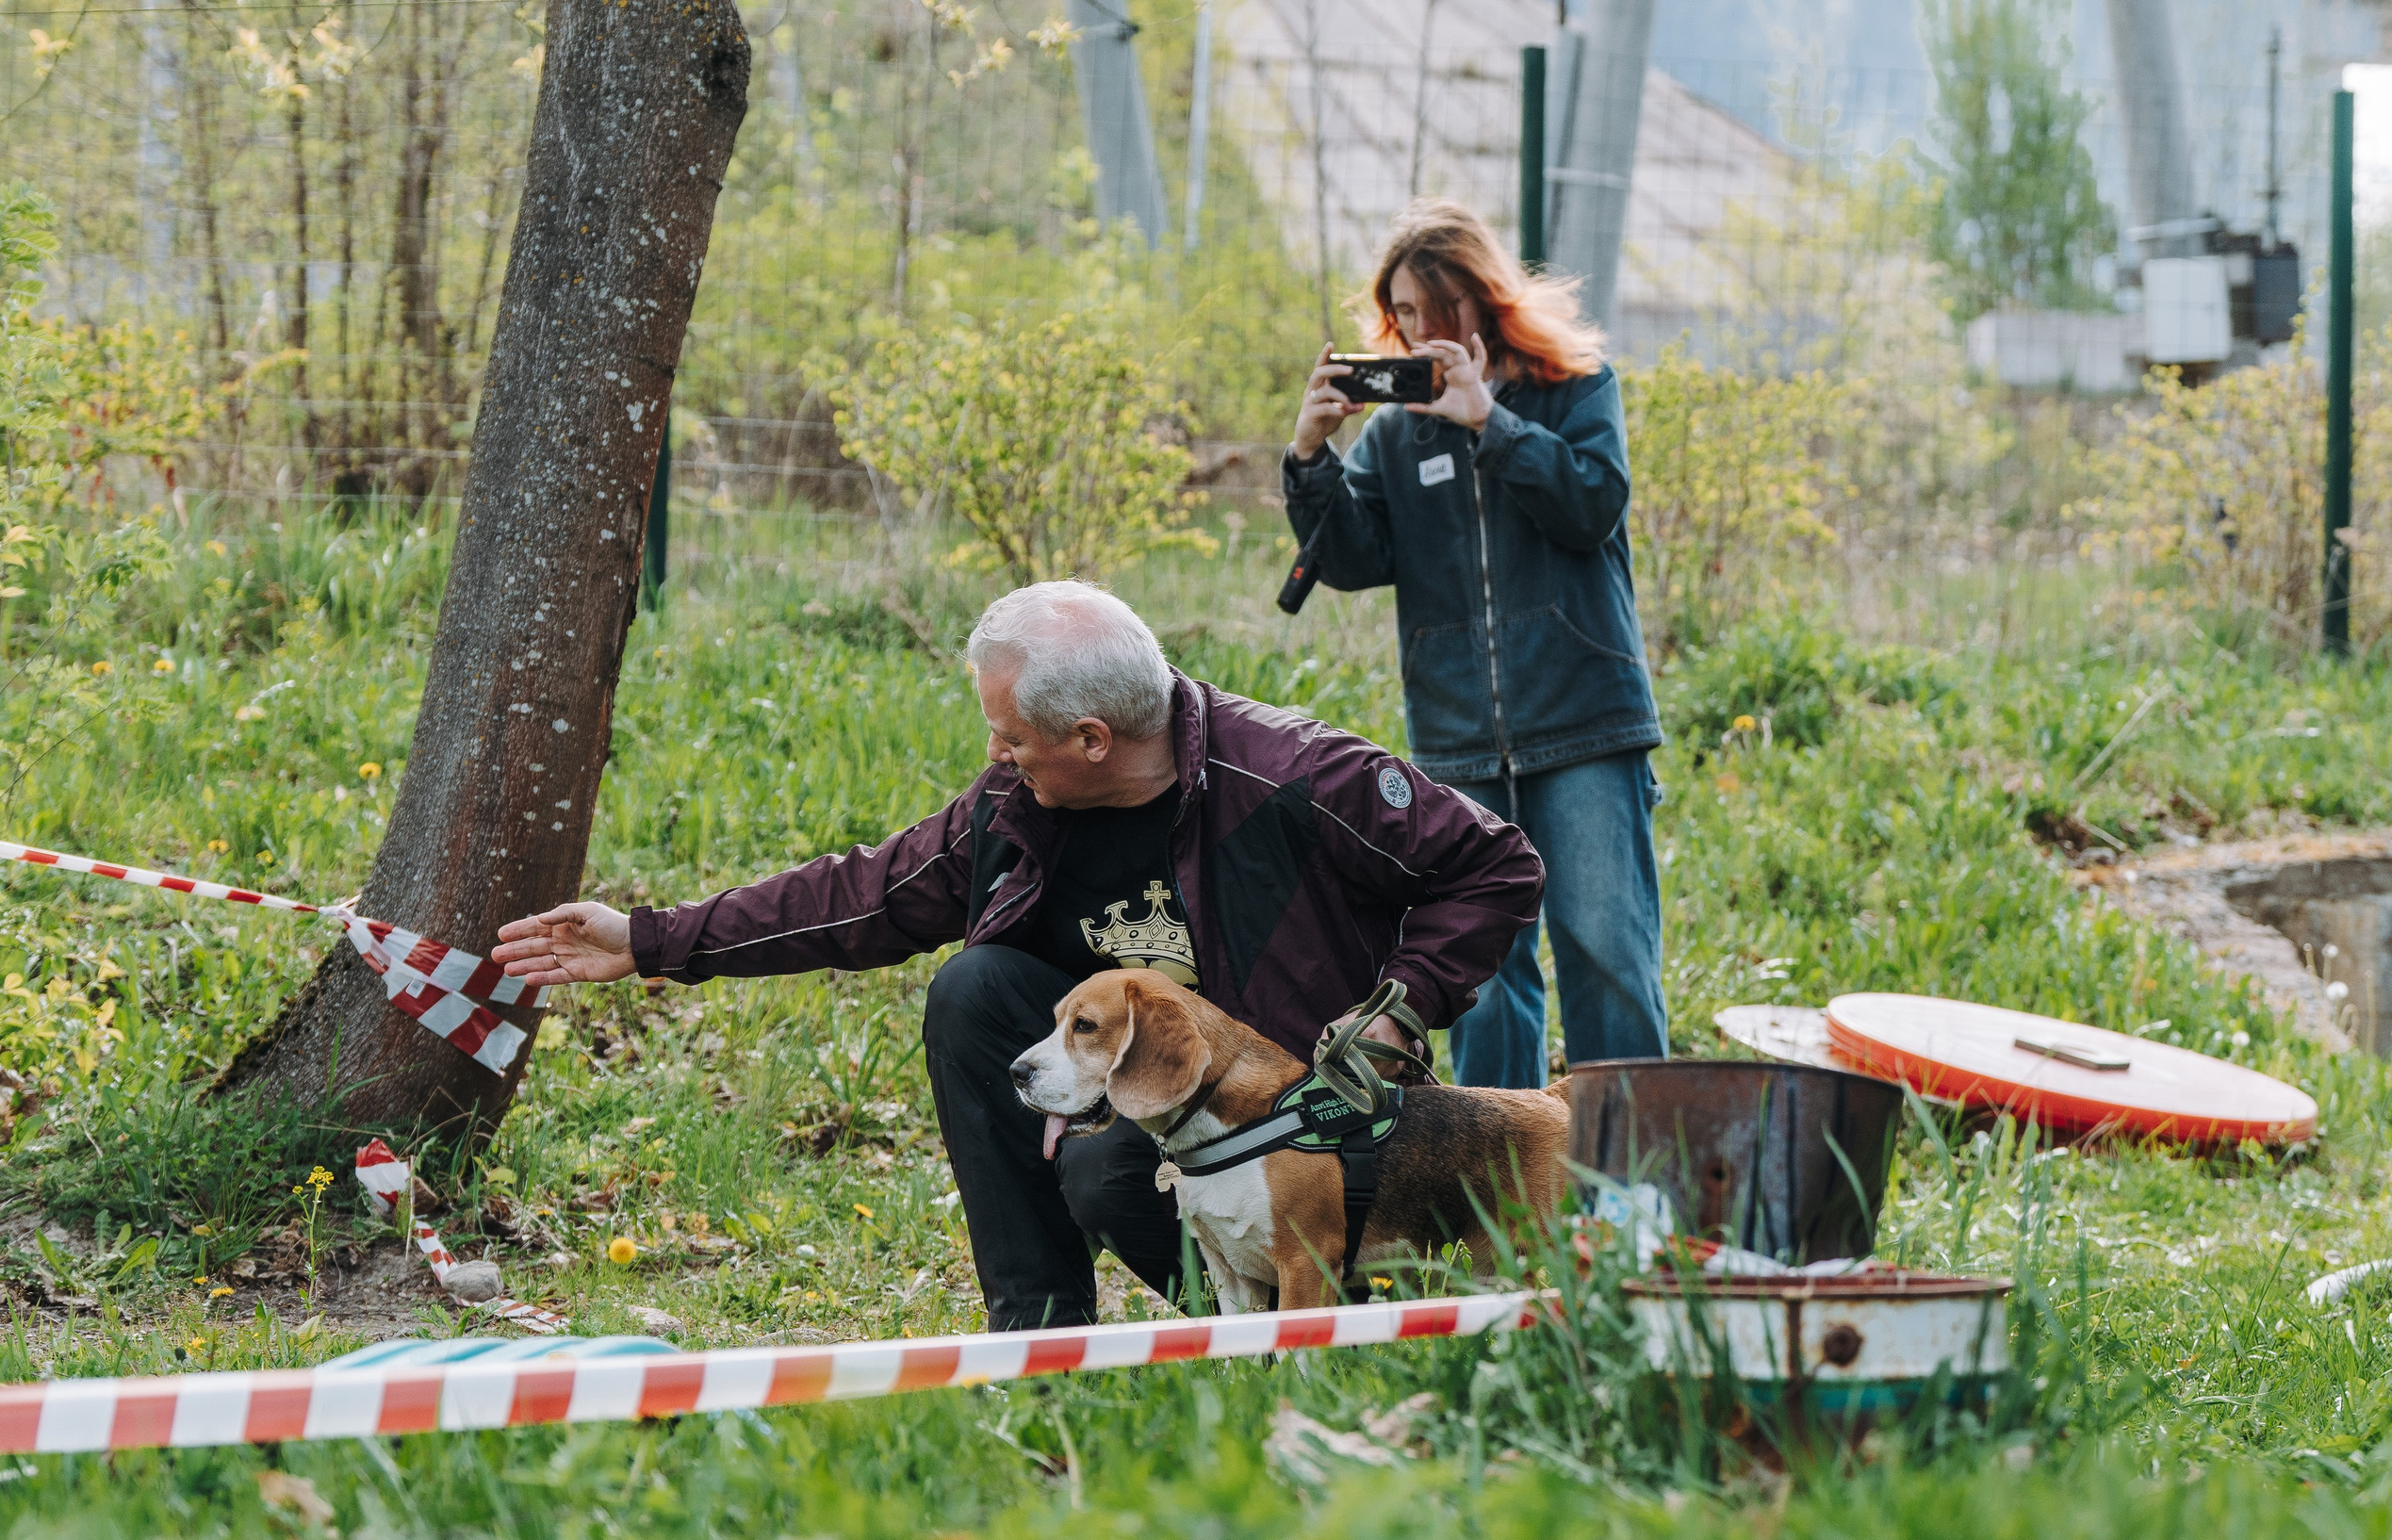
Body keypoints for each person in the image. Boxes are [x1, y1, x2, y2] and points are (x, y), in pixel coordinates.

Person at [492, 581, 1543, 1331]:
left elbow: (1495, 868)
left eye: (1009, 737)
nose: (993, 754)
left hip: (1297, 1130)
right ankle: (1039, 1334)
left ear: (1092, 737)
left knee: (1102, 1170)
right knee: (973, 986)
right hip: (1122, 1080)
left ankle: (1319, 1312)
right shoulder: (1014, 807)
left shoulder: (1298, 778)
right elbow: (867, 892)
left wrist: (1400, 1008)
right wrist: (651, 939)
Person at [1281, 197, 1668, 1090]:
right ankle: (1504, 1196)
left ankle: (1631, 1189)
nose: (1413, 331)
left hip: (1586, 723)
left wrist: (1489, 423)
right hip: (1459, 738)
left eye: (1428, 311)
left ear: (1478, 303)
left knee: (1608, 951)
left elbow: (1592, 503)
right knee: (1486, 975)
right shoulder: (1395, 430)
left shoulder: (1576, 387)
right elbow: (1352, 558)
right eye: (1401, 313)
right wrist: (1310, 458)